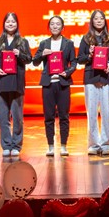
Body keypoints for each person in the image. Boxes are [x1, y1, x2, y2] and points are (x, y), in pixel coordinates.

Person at [78, 9, 109, 156]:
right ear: (92, 21)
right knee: (91, 113)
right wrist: (89, 55)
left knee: (106, 113)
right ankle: (93, 145)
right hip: (91, 79)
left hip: (106, 79)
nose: (99, 21)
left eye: (101, 18)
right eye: (96, 18)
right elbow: (80, 59)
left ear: (105, 21)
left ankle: (106, 144)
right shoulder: (86, 39)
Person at [33, 16, 77, 157]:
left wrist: (67, 72)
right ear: (49, 27)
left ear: (63, 27)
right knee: (49, 116)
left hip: (63, 83)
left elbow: (74, 63)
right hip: (48, 84)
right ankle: (50, 146)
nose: (55, 26)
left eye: (58, 24)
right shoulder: (44, 43)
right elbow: (34, 62)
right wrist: (42, 54)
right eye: (52, 24)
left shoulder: (68, 43)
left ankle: (63, 145)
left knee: (64, 116)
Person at [0, 12, 32, 157]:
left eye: (13, 21)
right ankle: (6, 145)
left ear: (17, 24)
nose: (10, 24)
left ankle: (16, 145)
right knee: (3, 117)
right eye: (8, 21)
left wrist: (19, 54)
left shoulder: (22, 41)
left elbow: (29, 59)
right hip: (2, 81)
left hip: (17, 83)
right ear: (4, 24)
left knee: (17, 116)